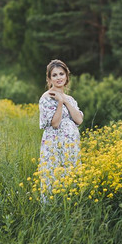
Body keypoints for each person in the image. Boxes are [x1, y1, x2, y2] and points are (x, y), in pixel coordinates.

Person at [38, 59, 84, 199]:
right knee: (53, 176)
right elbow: (55, 123)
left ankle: (71, 210)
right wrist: (59, 103)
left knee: (71, 177)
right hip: (55, 145)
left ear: (66, 76)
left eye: (61, 74)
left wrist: (64, 100)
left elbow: (79, 119)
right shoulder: (46, 98)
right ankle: (53, 212)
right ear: (49, 78)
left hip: (70, 145)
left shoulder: (70, 98)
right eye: (55, 75)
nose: (59, 78)